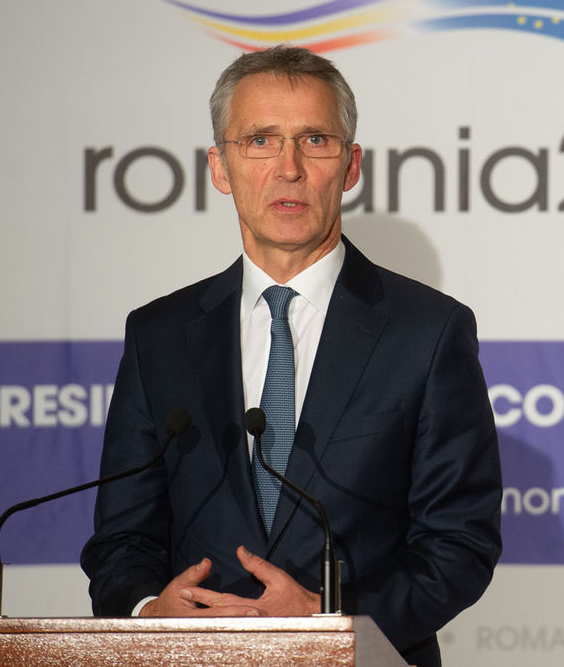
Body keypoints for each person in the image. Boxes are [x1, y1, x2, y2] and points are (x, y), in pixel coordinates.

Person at [80, 45, 503, 667]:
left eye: (315, 140)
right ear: (220, 167)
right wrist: (149, 613)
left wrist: (329, 617)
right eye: (260, 141)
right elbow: (121, 538)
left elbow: (459, 544)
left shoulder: (429, 331)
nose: (289, 168)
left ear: (351, 165)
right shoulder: (159, 336)